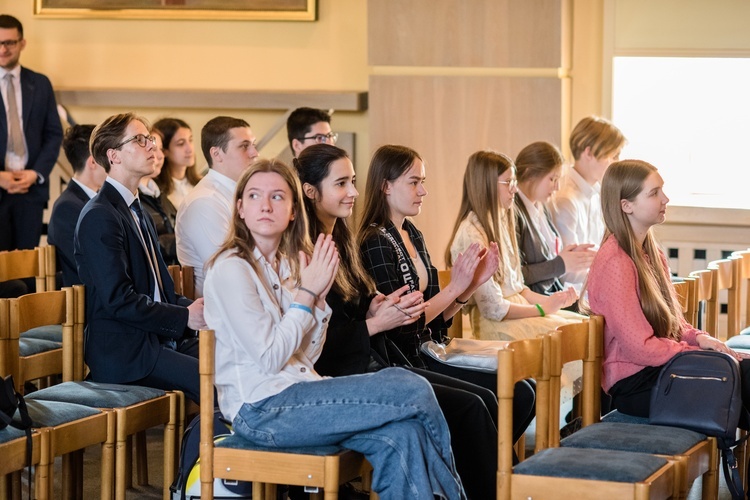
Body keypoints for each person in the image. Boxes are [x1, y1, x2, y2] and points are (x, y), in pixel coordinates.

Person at [202, 158, 465, 500]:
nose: (265, 205)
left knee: (405, 434)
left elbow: (305, 356)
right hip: (261, 410)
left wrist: (320, 302)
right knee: (412, 388)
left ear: (294, 211)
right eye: (253, 196)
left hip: (300, 390)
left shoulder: (286, 264)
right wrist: (307, 295)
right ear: (239, 209)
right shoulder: (230, 268)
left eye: (277, 197)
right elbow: (269, 358)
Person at [295, 144, 529, 498]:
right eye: (342, 184)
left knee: (512, 394)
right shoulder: (356, 242)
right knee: (475, 407)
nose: (354, 192)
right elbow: (330, 342)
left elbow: (405, 320)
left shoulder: (349, 238)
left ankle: (478, 479)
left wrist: (379, 308)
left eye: (353, 182)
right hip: (365, 364)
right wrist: (381, 318)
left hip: (389, 352)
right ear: (311, 192)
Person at [584, 159, 750, 417]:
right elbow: (639, 348)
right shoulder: (615, 261)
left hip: (657, 369)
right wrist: (692, 351)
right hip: (637, 384)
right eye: (654, 193)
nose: (666, 198)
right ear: (626, 206)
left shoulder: (651, 253)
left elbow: (672, 325)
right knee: (742, 378)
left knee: (744, 373)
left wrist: (699, 338)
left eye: (662, 190)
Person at [74, 113, 206, 403]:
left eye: (151, 139)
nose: (152, 147)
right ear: (114, 156)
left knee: (236, 364)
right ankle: (211, 448)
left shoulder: (136, 208)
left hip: (156, 339)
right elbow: (119, 299)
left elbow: (161, 290)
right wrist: (185, 316)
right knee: (215, 382)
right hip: (126, 351)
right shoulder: (100, 215)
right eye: (140, 140)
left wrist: (197, 307)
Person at [446, 150, 581, 341]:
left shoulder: (502, 219)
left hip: (518, 310)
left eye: (514, 182)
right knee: (572, 337)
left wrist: (552, 301)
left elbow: (518, 288)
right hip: (497, 324)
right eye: (508, 182)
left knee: (584, 327)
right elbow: (493, 309)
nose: (515, 189)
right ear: (486, 185)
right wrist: (542, 309)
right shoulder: (471, 233)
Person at [0, 14, 64, 252]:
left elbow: (54, 133)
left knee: (27, 268)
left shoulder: (40, 83)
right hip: (0, 186)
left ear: (22, 43)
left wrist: (36, 173)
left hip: (31, 190)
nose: (3, 49)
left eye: (9, 43)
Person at [175, 116, 258, 296]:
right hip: (218, 313)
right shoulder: (204, 202)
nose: (254, 153)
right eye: (244, 146)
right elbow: (230, 272)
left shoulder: (241, 194)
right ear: (217, 154)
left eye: (253, 144)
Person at [549, 115, 625, 291]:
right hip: (574, 292)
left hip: (595, 284)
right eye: (613, 156)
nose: (617, 163)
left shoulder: (597, 193)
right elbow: (568, 272)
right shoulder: (566, 199)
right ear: (589, 153)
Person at [514, 141, 595, 296]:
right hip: (535, 300)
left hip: (553, 292)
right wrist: (561, 264)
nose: (557, 187)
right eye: (552, 179)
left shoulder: (541, 206)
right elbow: (515, 276)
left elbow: (548, 257)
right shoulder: (514, 212)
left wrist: (571, 255)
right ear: (529, 174)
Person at [48, 124, 107, 287]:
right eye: (107, 156)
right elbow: (89, 266)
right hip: (89, 298)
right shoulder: (67, 208)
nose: (113, 163)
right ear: (93, 162)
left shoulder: (100, 199)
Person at [138, 128, 177, 265]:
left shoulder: (160, 194)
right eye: (154, 149)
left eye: (161, 149)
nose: (160, 156)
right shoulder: (133, 199)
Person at [153, 117, 200, 212]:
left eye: (190, 140)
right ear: (164, 150)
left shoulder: (201, 184)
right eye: (181, 143)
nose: (189, 149)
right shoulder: (155, 189)